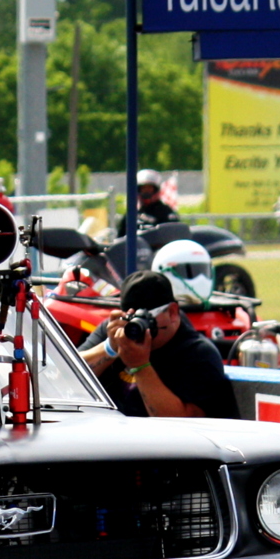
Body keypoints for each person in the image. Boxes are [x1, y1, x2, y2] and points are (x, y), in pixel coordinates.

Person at [77, 269, 237, 419]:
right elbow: (65, 376)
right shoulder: (116, 331)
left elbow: (182, 423)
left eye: (147, 318)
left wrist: (140, 366)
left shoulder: (198, 354)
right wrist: (109, 348)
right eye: (131, 317)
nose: (137, 326)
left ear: (172, 312)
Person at [117, 168, 179, 236]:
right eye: (143, 189)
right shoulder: (131, 214)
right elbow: (120, 238)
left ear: (156, 190)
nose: (146, 192)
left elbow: (173, 236)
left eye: (149, 188)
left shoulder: (166, 212)